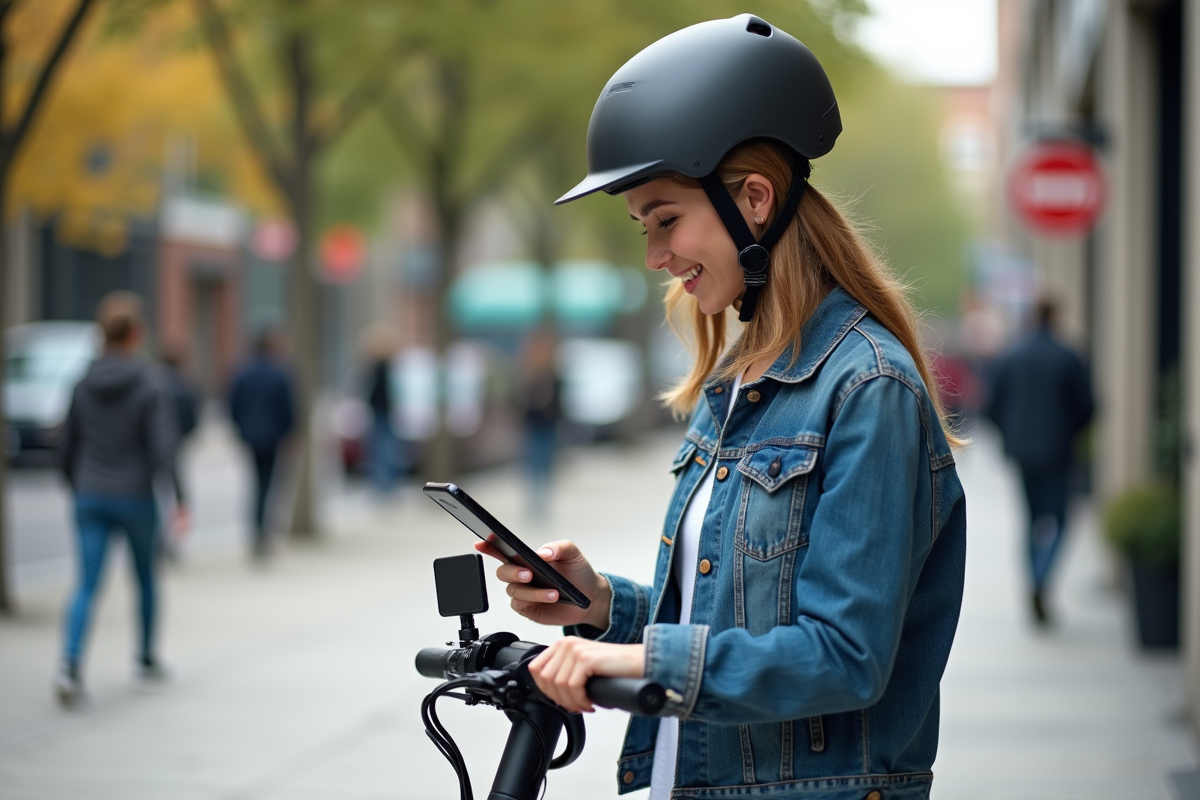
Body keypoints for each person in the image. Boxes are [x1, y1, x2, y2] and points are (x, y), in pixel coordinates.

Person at [477, 15, 967, 799]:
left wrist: (632, 661)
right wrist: (602, 606)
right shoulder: (740, 383)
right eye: (642, 227)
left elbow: (844, 656)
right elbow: (728, 627)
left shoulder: (867, 386)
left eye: (666, 219)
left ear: (754, 200)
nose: (654, 256)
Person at [56, 291, 189, 707]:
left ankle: (70, 663)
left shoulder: (81, 383)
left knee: (86, 584)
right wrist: (180, 498)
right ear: (137, 334)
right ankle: (146, 657)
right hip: (135, 496)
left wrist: (75, 484)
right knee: (146, 578)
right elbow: (164, 447)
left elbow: (66, 444)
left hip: (90, 493)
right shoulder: (151, 384)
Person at [986, 297, 1095, 626]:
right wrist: (1068, 432)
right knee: (1060, 520)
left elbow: (991, 405)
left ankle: (1035, 578)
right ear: (1056, 316)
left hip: (1023, 453)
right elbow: (1088, 406)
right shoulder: (1068, 355)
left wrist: (1011, 434)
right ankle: (1041, 578)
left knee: (1031, 521)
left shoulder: (1010, 356)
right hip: (1058, 452)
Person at [228, 328, 296, 560]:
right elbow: (288, 409)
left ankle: (256, 529)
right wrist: (289, 433)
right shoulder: (279, 373)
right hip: (272, 437)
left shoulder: (241, 372)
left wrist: (238, 429)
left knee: (256, 483)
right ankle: (262, 531)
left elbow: (232, 404)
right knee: (267, 485)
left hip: (250, 436)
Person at [516, 327, 563, 519]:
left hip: (548, 425)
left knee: (545, 463)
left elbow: (559, 400)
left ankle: (542, 500)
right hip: (533, 425)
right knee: (533, 462)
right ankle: (534, 500)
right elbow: (521, 400)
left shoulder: (553, 372)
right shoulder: (527, 372)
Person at [359, 322, 403, 495]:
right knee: (385, 448)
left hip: (380, 411)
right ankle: (386, 484)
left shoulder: (380, 367)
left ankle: (384, 485)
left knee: (381, 449)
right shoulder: (386, 366)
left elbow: (377, 392)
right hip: (383, 411)